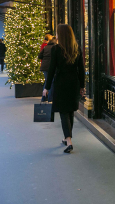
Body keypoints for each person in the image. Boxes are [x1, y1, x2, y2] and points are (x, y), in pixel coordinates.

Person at [43, 25, 85, 153]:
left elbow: (51, 70)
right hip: (74, 83)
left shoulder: (56, 49)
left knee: (63, 112)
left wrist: (47, 87)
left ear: (60, 35)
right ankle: (66, 138)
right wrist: (82, 86)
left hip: (61, 83)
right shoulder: (76, 49)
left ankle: (69, 140)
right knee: (70, 111)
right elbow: (81, 70)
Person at [38, 36, 56, 102]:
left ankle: (43, 97)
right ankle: (50, 98)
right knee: (52, 82)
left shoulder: (45, 47)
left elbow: (39, 56)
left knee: (47, 81)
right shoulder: (55, 48)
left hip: (44, 66)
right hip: (51, 66)